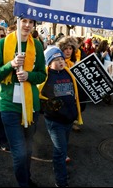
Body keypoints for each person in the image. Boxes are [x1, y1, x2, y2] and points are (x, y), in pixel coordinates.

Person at [0, 17, 46, 187]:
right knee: (19, 152)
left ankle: (26, 178)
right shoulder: (2, 44)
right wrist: (11, 65)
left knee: (28, 150)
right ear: (17, 22)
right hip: (9, 105)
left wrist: (29, 76)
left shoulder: (36, 45)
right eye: (24, 21)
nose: (28, 25)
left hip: (31, 105)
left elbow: (42, 74)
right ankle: (23, 184)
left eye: (31, 22)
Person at [38, 47, 83, 187]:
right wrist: (48, 105)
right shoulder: (44, 76)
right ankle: (61, 182)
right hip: (55, 121)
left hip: (69, 119)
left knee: (63, 148)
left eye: (62, 59)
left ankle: (58, 167)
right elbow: (36, 94)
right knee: (60, 152)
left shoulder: (69, 73)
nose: (60, 62)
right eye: (56, 60)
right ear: (49, 63)